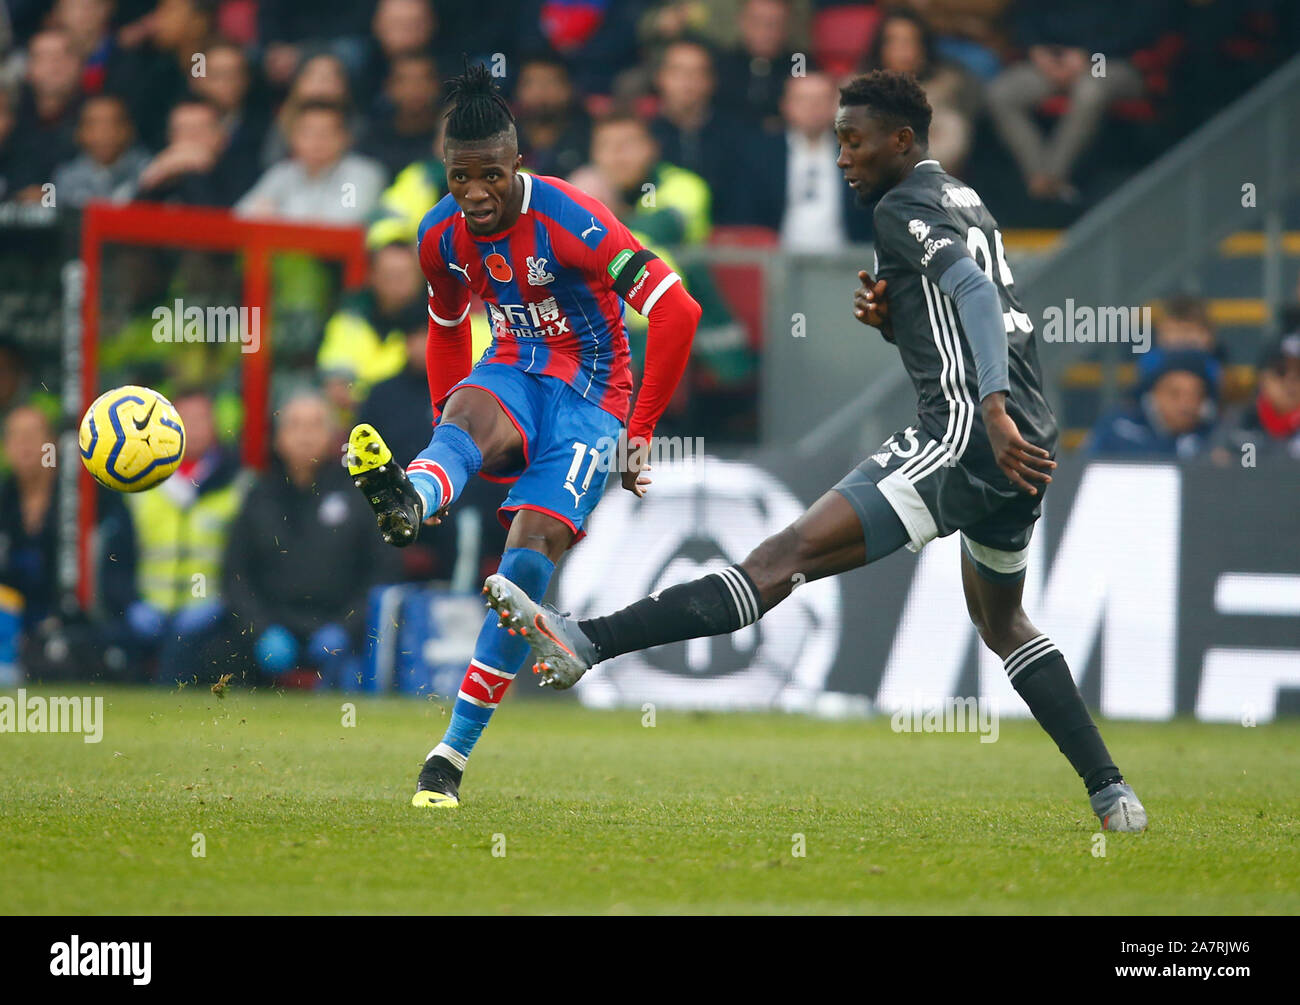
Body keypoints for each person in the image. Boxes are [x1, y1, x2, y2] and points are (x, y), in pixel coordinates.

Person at [488, 69, 1149, 833]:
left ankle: (588, 641)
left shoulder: (902, 205)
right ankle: (1111, 791)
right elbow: (971, 305)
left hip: (970, 434)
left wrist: (990, 410)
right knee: (1003, 624)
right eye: (837, 140)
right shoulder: (963, 197)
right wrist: (898, 321)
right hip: (1025, 444)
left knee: (782, 558)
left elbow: (970, 294)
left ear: (901, 142)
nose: (842, 157)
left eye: (854, 141)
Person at [345, 63, 702, 809]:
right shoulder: (439, 236)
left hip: (592, 397)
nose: (474, 193)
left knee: (522, 576)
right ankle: (413, 494)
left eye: (490, 176)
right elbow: (446, 326)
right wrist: (450, 426)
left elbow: (677, 311)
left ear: (518, 165)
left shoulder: (574, 220)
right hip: (512, 366)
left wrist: (637, 433)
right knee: (466, 415)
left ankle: (449, 755)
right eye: (458, 177)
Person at [223, 391, 391, 686]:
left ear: (333, 436)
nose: (305, 435)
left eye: (315, 425)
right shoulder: (257, 496)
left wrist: (347, 628)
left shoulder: (360, 494)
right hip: (270, 635)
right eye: (295, 425)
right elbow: (235, 576)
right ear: (278, 438)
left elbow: (383, 573)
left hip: (343, 638)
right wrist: (260, 629)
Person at [236, 99, 386, 224]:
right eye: (308, 133)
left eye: (326, 132)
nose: (317, 141)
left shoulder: (358, 175)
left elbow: (346, 218)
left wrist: (277, 215)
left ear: (345, 138)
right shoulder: (282, 173)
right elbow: (242, 213)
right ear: (293, 138)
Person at [1089, 350, 1219, 458]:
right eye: (1174, 394)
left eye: (1195, 396)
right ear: (1154, 395)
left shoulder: (1215, 437)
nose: (1185, 404)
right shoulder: (1118, 428)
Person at [51, 93, 149, 206]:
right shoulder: (66, 178)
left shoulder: (149, 173)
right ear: (79, 133)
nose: (103, 134)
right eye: (93, 125)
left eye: (113, 124)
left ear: (129, 130)